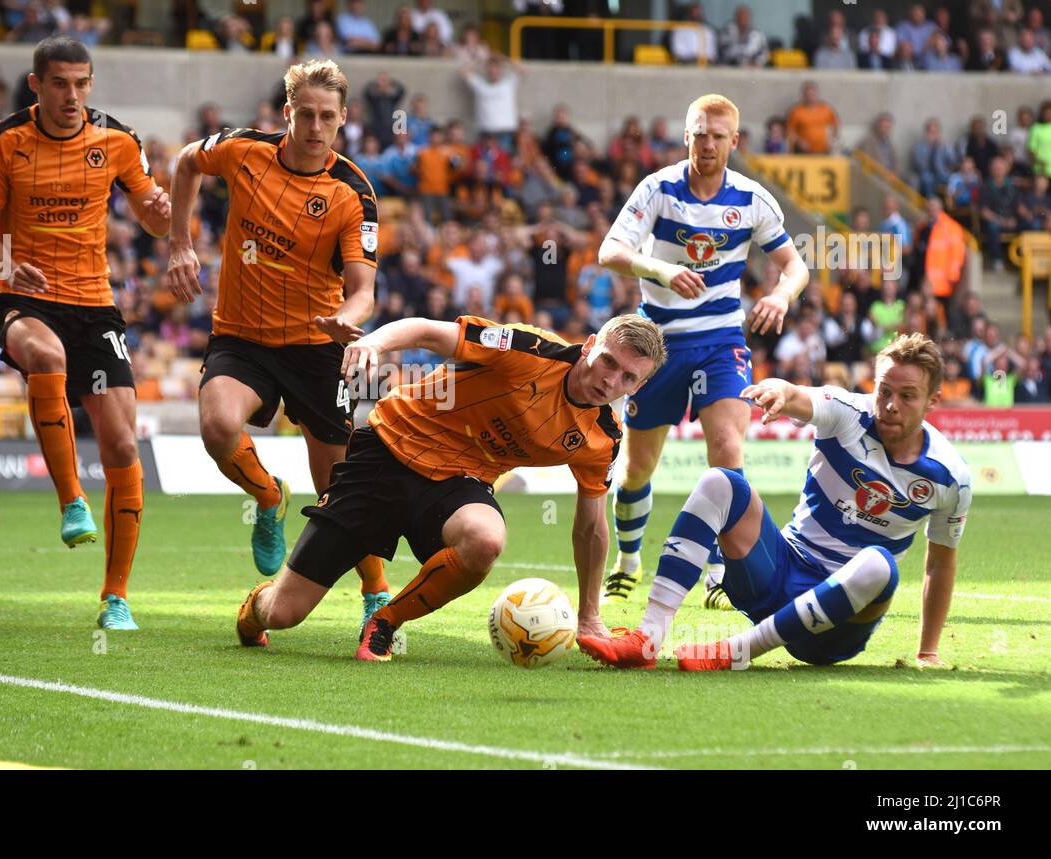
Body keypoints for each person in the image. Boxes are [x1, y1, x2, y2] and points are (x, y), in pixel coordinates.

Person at [235, 313, 666, 660]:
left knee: (485, 539)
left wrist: (589, 616)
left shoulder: (603, 438)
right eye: (609, 361)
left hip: (459, 482)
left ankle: (385, 622)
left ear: (639, 386)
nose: (611, 381)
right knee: (285, 613)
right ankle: (257, 608)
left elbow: (590, 528)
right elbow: (426, 331)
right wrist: (373, 343)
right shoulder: (528, 348)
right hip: (387, 450)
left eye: (629, 378)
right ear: (590, 346)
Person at [578, 334, 970, 671]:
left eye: (907, 396)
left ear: (932, 400)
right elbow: (800, 395)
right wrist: (779, 391)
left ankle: (737, 651)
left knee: (879, 564)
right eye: (883, 390)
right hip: (777, 577)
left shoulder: (949, 476)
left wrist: (928, 651)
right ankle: (646, 639)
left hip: (836, 629)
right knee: (721, 482)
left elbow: (940, 561)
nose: (890, 405)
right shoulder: (848, 413)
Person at [165, 59, 392, 631]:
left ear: (343, 121)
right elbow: (184, 163)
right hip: (242, 336)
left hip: (317, 346)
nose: (315, 127)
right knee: (218, 427)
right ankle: (269, 499)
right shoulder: (243, 150)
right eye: (306, 114)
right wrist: (180, 243)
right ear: (287, 112)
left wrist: (346, 318)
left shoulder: (353, 192)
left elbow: (363, 289)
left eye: (328, 118)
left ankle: (375, 593)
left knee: (339, 488)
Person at [0, 37, 172, 630]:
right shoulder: (2, 139)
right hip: (22, 295)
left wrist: (163, 215)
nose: (73, 95)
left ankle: (115, 597)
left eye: (83, 83)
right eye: (60, 83)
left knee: (121, 446)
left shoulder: (117, 139)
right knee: (45, 354)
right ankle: (70, 501)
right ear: (36, 85)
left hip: (95, 305)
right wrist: (6, 267)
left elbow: (154, 219)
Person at [597, 93, 809, 613]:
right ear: (685, 135)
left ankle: (718, 570)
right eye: (698, 133)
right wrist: (661, 270)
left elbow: (795, 265)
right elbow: (609, 251)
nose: (707, 143)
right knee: (636, 470)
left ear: (734, 142)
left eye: (717, 136)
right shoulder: (658, 189)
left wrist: (780, 295)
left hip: (721, 342)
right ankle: (628, 561)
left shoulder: (752, 200)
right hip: (656, 346)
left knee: (727, 450)